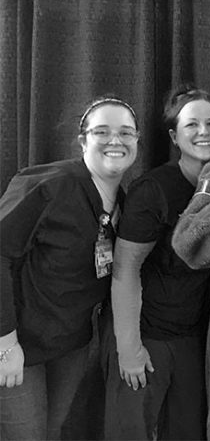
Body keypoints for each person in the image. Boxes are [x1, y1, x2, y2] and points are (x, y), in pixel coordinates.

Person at [0, 96, 139, 440]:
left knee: (53, 431)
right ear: (82, 142)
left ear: (137, 141)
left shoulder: (126, 203)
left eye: (126, 132)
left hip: (71, 345)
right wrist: (5, 343)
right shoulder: (49, 185)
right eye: (102, 131)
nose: (115, 140)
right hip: (19, 343)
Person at [103, 85, 210, 440]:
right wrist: (128, 348)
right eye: (192, 125)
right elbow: (125, 271)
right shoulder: (153, 190)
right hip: (147, 335)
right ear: (173, 136)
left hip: (190, 339)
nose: (204, 132)